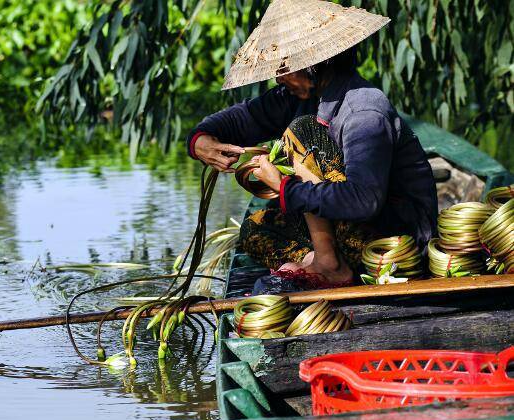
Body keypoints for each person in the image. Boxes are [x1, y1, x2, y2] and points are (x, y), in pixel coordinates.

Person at [186, 0, 438, 286]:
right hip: (349, 228)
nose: (278, 77)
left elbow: (364, 201)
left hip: (394, 241)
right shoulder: (298, 96)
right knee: (254, 230)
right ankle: (321, 262)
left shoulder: (363, 112)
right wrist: (200, 141)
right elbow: (241, 119)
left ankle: (329, 263)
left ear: (315, 64)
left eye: (284, 67)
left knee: (302, 131)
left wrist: (284, 188)